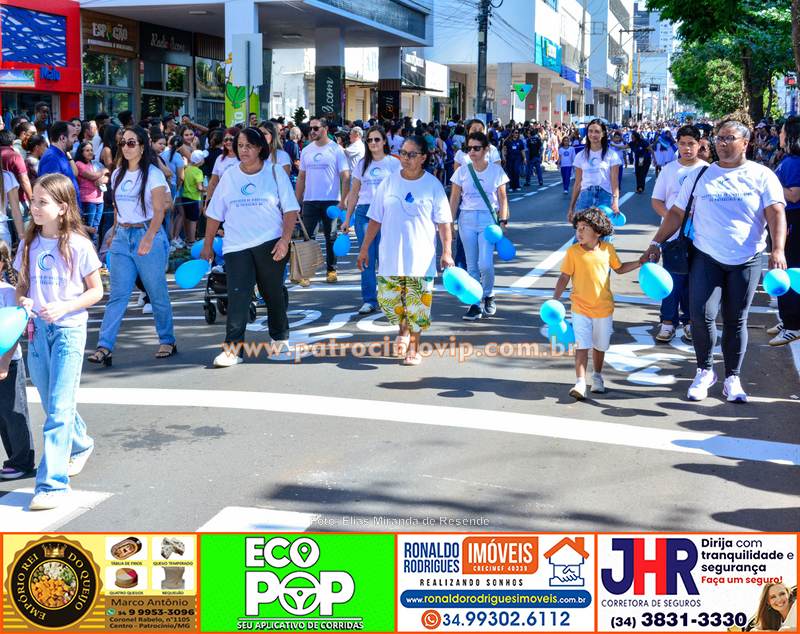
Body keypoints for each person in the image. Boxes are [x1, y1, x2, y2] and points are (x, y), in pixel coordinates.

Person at [640, 113, 787, 403]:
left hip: (747, 259)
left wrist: (778, 249)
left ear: (746, 142)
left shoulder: (761, 175)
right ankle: (705, 371)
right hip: (706, 256)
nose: (722, 143)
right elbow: (676, 213)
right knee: (701, 316)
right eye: (719, 138)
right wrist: (656, 242)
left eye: (729, 138)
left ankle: (733, 377)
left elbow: (776, 213)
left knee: (735, 320)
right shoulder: (700, 174)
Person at [14, 174, 103, 509]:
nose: (34, 207)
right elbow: (23, 286)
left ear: (62, 207)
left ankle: (52, 485)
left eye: (42, 202)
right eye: (33, 201)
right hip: (36, 332)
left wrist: (65, 306)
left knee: (59, 408)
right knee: (55, 406)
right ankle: (79, 444)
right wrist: (24, 301)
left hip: (68, 332)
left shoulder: (79, 244)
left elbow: (96, 291)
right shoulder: (27, 243)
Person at [202, 127, 299, 367]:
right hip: (236, 245)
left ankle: (280, 340)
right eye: (240, 146)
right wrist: (207, 245)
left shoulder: (275, 172)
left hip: (271, 243)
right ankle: (232, 350)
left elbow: (290, 210)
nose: (243, 150)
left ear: (259, 148)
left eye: (248, 146)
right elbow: (214, 214)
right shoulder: (230, 176)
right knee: (238, 295)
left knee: (272, 292)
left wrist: (284, 240)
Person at [357, 136, 453, 365]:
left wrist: (446, 251)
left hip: (420, 257)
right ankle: (403, 329)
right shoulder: (389, 182)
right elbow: (375, 219)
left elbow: (444, 222)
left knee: (418, 306)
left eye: (411, 154)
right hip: (391, 255)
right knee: (390, 301)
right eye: (402, 153)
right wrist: (364, 248)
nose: (405, 158)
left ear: (423, 158)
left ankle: (414, 348)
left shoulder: (432, 185)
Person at [89, 126, 176, 366]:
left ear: (141, 146)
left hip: (147, 234)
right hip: (121, 239)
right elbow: (117, 209)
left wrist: (149, 236)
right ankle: (104, 347)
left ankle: (167, 340)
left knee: (156, 291)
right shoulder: (117, 174)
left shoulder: (154, 174)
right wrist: (114, 231)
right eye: (123, 143)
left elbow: (160, 210)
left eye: (131, 142)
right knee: (118, 295)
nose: (126, 147)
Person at [554, 208, 641, 399]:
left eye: (585, 228)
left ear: (599, 232)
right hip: (580, 307)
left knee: (600, 347)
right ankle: (580, 383)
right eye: (578, 227)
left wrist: (639, 262)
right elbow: (564, 277)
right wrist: (555, 300)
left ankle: (597, 376)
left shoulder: (607, 249)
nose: (580, 232)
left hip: (603, 308)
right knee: (582, 346)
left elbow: (619, 269)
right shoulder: (573, 251)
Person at [651, 125, 708, 343]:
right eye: (682, 143)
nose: (687, 148)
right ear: (677, 144)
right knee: (671, 281)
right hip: (672, 238)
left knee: (694, 283)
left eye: (691, 144)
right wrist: (670, 218)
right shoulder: (668, 170)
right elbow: (656, 200)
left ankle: (690, 322)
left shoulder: (707, 170)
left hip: (700, 238)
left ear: (699, 144)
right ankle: (667, 322)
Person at [449, 131, 509, 320]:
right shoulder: (462, 171)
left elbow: (503, 198)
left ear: (486, 150)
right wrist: (450, 223)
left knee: (485, 264)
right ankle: (474, 304)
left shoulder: (496, 171)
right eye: (469, 148)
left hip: (487, 220)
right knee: (471, 265)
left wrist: (503, 221)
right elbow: (454, 198)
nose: (472, 152)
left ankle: (489, 294)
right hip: (466, 219)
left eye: (476, 148)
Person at [342, 126, 401, 315]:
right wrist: (347, 219)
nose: (373, 143)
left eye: (377, 139)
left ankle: (388, 297)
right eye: (369, 140)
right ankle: (369, 300)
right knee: (366, 256)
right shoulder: (361, 164)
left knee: (386, 257)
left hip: (388, 213)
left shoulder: (394, 163)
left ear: (384, 141)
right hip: (364, 213)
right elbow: (354, 193)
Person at [295, 117, 351, 285]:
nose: (312, 131)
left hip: (331, 200)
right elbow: (301, 177)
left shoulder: (336, 150)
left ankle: (332, 270)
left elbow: (346, 177)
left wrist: (344, 200)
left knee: (331, 236)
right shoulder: (306, 150)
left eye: (316, 128)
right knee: (308, 238)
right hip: (310, 200)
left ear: (325, 129)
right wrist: (297, 201)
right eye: (310, 129)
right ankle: (306, 273)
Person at [0, 239, 34, 480]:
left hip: (8, 362)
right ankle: (13, 456)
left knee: (14, 411)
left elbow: (13, 331)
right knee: (2, 415)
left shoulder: (8, 293)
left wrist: (4, 361)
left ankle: (22, 461)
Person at [769, 115, 800, 346]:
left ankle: (793, 324)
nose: (779, 135)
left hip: (793, 220)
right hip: (786, 219)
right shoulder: (788, 159)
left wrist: (768, 182)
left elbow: (793, 194)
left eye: (782, 131)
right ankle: (787, 317)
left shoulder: (794, 162)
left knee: (788, 268)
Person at [569, 119, 621, 223]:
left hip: (604, 198)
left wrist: (615, 203)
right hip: (585, 197)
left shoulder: (612, 155)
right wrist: (571, 208)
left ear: (603, 134)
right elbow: (577, 184)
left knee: (603, 234)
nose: (593, 134)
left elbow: (615, 183)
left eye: (597, 131)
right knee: (582, 235)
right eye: (590, 131)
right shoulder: (581, 156)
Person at [37, 121, 82, 208]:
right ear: (62, 138)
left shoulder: (60, 154)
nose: (76, 139)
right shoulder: (52, 157)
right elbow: (51, 192)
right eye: (73, 136)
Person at [74, 141, 109, 235]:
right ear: (81, 153)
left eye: (91, 150)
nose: (90, 152)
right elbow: (93, 176)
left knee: (96, 226)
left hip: (99, 199)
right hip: (88, 200)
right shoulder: (78, 164)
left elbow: (108, 177)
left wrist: (104, 179)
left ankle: (94, 247)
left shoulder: (95, 163)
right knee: (88, 226)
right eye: (87, 150)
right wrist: (104, 171)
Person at [203, 127, 240, 214]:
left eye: (232, 139)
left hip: (239, 202)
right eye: (226, 139)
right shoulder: (220, 159)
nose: (228, 142)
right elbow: (213, 183)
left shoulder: (244, 159)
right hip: (222, 201)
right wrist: (207, 203)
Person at [0, 129, 32, 208]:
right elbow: (24, 180)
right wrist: (32, 200)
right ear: (12, 142)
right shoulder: (15, 156)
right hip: (17, 201)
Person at [182, 150, 206, 246]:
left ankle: (188, 238)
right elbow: (199, 188)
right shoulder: (199, 171)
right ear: (200, 161)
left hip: (185, 197)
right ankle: (192, 241)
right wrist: (210, 188)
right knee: (193, 220)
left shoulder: (187, 168)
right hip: (193, 198)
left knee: (188, 220)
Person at [502, 128, 526, 192]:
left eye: (518, 133)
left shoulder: (520, 142)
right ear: (512, 133)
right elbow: (503, 149)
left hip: (517, 158)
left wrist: (524, 158)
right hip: (509, 158)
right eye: (515, 133)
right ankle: (511, 186)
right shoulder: (508, 141)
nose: (517, 134)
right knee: (510, 172)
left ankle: (517, 185)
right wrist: (503, 157)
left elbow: (522, 150)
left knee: (516, 171)